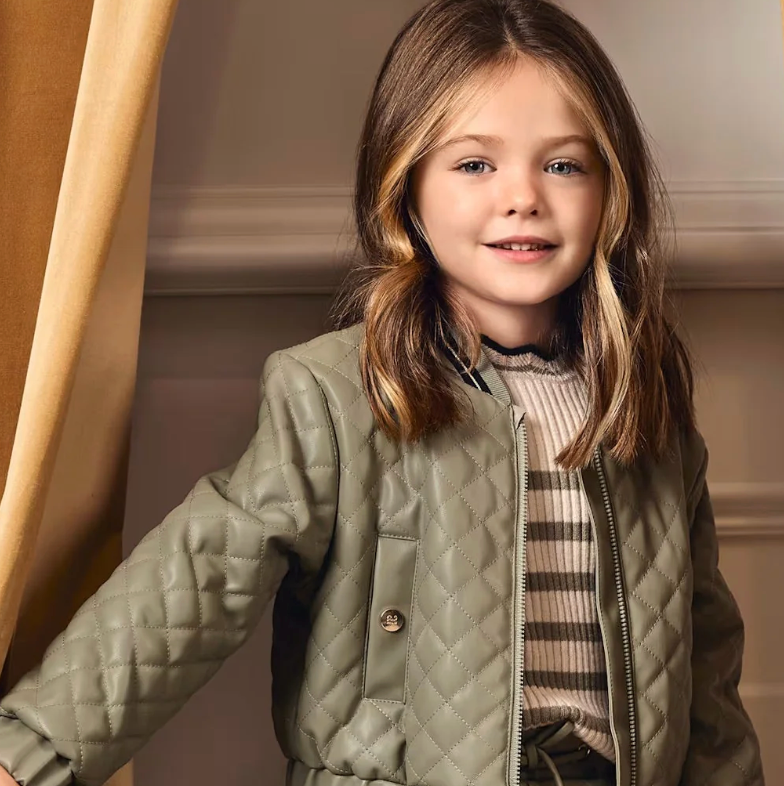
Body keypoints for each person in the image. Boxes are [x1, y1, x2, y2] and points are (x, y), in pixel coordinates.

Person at [0, 0, 766, 784]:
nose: (523, 195)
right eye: (475, 164)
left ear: (613, 189)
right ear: (407, 187)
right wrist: (36, 754)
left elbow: (706, 671)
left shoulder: (644, 411)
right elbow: (200, 578)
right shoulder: (338, 395)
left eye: (564, 164)